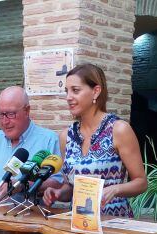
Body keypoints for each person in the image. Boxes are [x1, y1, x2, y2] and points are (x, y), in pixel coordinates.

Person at [41, 63, 147, 216]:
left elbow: (141, 182)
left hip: (113, 225)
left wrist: (115, 189)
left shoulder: (118, 130)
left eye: (75, 90)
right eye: (67, 91)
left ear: (96, 91)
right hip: (78, 226)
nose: (68, 97)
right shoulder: (66, 136)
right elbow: (70, 187)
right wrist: (57, 193)